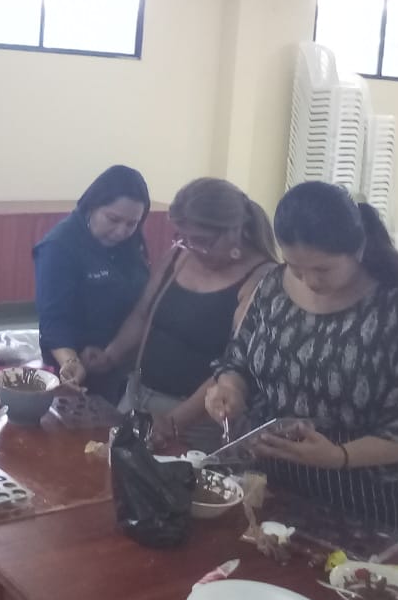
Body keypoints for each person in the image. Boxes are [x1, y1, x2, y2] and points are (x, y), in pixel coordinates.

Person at [204, 181, 398, 531]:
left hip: (361, 497)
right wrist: (229, 389)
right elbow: (239, 359)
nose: (308, 280)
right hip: (271, 482)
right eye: (295, 267)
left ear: (358, 250)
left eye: (323, 269)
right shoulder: (274, 285)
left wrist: (337, 456)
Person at [103, 178, 278, 451]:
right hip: (139, 399)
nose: (192, 247)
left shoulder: (261, 278)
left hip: (200, 423)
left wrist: (174, 421)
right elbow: (142, 315)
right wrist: (108, 357)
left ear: (235, 230)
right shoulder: (179, 256)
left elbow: (235, 363)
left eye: (202, 241)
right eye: (183, 238)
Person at [33, 165, 152, 403]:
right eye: (113, 219)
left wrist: (115, 352)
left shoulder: (131, 241)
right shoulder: (59, 246)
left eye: (132, 224)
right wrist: (70, 361)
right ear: (92, 206)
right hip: (76, 366)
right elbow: (54, 319)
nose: (121, 231)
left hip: (122, 359)